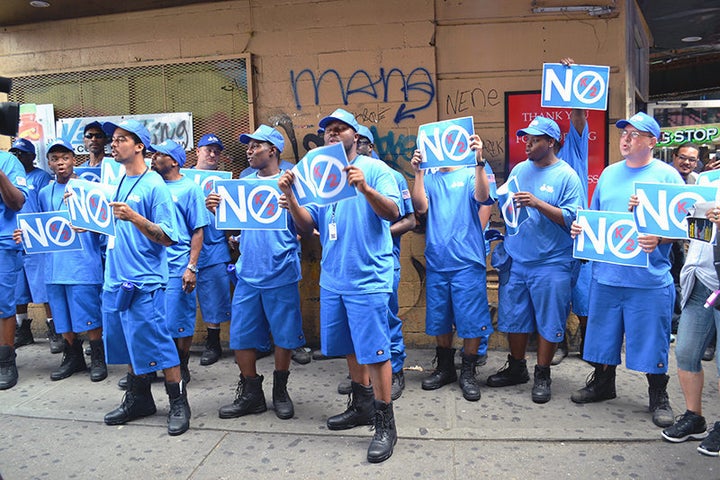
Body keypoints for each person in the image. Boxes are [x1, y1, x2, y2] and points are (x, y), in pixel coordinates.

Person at [278, 108, 400, 463]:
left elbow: (393, 213)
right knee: (350, 347)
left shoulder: (377, 170)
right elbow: (305, 226)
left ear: (356, 135)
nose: (332, 134)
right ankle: (361, 405)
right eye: (327, 130)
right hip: (334, 279)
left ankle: (385, 423)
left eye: (339, 128)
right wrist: (292, 200)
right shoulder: (320, 177)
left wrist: (364, 187)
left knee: (376, 352)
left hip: (367, 278)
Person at [570, 112, 683, 427]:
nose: (627, 138)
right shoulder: (608, 174)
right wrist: (582, 230)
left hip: (649, 278)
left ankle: (658, 394)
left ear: (652, 141)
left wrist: (660, 237)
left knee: (652, 338)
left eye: (636, 134)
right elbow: (595, 216)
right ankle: (603, 383)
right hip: (607, 275)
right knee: (602, 335)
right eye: (624, 132)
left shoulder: (667, 176)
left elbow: (686, 226)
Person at [100, 119, 190, 436]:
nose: (114, 143)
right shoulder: (121, 182)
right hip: (118, 278)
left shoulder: (155, 185)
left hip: (145, 281)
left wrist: (135, 216)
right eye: (114, 138)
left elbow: (169, 236)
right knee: (127, 342)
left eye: (122, 139)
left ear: (139, 146)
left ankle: (179, 403)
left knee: (160, 343)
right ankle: (138, 399)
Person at [485, 117, 583, 404]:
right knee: (514, 317)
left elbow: (573, 218)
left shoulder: (567, 176)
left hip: (552, 262)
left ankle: (542, 373)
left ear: (551, 142)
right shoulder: (519, 169)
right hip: (518, 259)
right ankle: (517, 368)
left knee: (549, 320)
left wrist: (538, 203)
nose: (527, 143)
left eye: (535, 139)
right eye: (525, 138)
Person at [212, 125, 305, 420]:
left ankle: (280, 389)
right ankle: (251, 392)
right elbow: (240, 222)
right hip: (248, 271)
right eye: (248, 146)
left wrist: (290, 203)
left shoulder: (291, 181)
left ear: (273, 151)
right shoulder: (243, 180)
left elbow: (305, 227)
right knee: (240, 336)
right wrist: (218, 211)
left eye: (256, 146)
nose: (249, 151)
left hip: (281, 270)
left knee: (285, 336)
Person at [410, 131, 493, 402]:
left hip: (467, 261)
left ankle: (468, 372)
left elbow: (483, 198)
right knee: (440, 319)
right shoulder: (431, 175)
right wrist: (419, 172)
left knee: (471, 321)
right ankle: (445, 368)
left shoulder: (471, 171)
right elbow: (420, 207)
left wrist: (479, 161)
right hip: (438, 261)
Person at [14, 139, 107, 382]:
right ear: (49, 163)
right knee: (61, 316)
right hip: (54, 266)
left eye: (64, 158)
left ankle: (98, 356)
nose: (60, 163)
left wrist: (88, 227)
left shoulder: (88, 188)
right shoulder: (44, 193)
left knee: (90, 314)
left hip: (83, 264)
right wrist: (24, 233)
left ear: (73, 160)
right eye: (55, 159)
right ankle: (73, 356)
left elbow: (104, 225)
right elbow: (38, 224)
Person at [336, 125, 415, 400]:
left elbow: (410, 219)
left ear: (367, 144)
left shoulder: (388, 175)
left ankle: (396, 370)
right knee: (357, 327)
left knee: (386, 319)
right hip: (350, 264)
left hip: (382, 261)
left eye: (366, 142)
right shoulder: (334, 177)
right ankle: (363, 380)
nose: (364, 148)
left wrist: (380, 233)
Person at [660, 207, 720, 456]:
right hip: (699, 279)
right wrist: (644, 213)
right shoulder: (707, 181)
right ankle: (694, 416)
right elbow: (682, 225)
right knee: (685, 352)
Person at [150, 139, 208, 384]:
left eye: (159, 154)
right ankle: (161, 365)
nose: (153, 158)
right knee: (156, 319)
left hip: (178, 264)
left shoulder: (190, 189)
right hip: (153, 265)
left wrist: (191, 267)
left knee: (180, 320)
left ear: (174, 161)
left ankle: (181, 365)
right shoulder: (151, 186)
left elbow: (198, 231)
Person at [9, 138, 58, 353]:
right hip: (15, 239)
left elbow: (47, 209)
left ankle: (53, 329)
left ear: (32, 156)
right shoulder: (10, 177)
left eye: (22, 153)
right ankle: (23, 329)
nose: (18, 157)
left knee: (43, 288)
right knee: (18, 290)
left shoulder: (41, 177)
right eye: (15, 154)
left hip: (37, 240)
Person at [194, 133, 232, 366]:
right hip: (183, 247)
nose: (212, 154)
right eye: (207, 149)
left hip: (215, 245)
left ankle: (213, 342)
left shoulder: (225, 183)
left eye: (216, 151)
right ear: (197, 151)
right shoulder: (183, 178)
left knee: (214, 297)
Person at [0, 148, 28, 390]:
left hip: (3, 243)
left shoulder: (9, 162)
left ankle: (6, 361)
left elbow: (17, 202)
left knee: (3, 305)